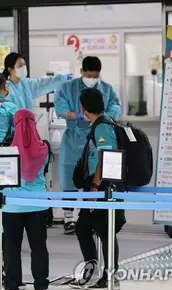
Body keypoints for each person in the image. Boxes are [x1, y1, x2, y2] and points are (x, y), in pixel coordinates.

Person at [54, 56, 121, 235]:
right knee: (69, 176)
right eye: (89, 75)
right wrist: (77, 116)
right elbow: (60, 109)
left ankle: (87, 215)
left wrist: (102, 117)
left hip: (95, 133)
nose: (92, 78)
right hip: (73, 138)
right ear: (82, 71)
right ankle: (68, 218)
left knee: (93, 175)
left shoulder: (107, 89)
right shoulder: (67, 88)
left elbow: (115, 107)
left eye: (96, 75)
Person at [71, 88, 125, 290]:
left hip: (102, 186)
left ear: (83, 108)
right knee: (84, 227)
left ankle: (111, 277)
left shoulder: (102, 127)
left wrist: (95, 187)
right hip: (97, 185)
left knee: (105, 230)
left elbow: (106, 158)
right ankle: (91, 270)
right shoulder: (103, 122)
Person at [2, 109, 50, 290]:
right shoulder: (44, 148)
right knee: (39, 246)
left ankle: (12, 285)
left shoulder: (8, 150)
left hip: (12, 205)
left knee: (11, 247)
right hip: (38, 204)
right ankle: (41, 284)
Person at [3, 52, 70, 110]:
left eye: (24, 64)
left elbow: (42, 84)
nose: (24, 67)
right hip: (15, 124)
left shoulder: (25, 83)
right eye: (20, 65)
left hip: (28, 123)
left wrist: (62, 78)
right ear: (10, 69)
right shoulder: (6, 88)